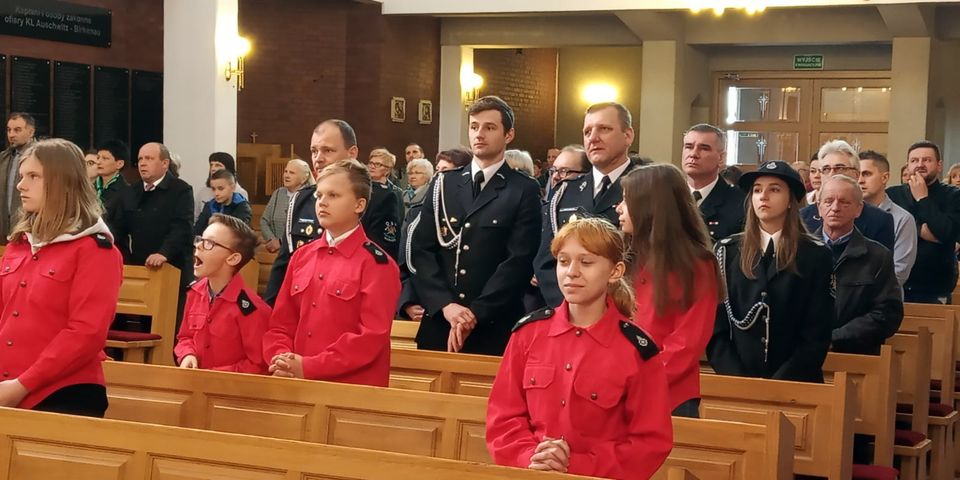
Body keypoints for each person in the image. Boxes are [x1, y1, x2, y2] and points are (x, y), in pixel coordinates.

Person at [486, 217, 672, 478]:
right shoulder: (528, 334)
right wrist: (530, 457)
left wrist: (577, 465)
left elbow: (650, 442)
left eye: (586, 262)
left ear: (615, 271)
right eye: (563, 261)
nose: (571, 272)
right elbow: (503, 418)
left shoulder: (636, 349)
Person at [0, 138, 122, 416]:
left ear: (63, 182)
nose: (21, 185)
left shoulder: (94, 250)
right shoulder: (19, 244)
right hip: (6, 385)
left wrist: (22, 385)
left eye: (33, 176)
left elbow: (86, 334)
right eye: (22, 176)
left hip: (63, 392)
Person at [411, 96, 541, 355]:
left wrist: (475, 313)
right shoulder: (444, 184)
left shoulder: (522, 189)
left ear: (508, 134)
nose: (479, 134)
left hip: (493, 324)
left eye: (489, 127)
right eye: (474, 127)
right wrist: (446, 305)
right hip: (441, 320)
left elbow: (519, 261)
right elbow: (422, 251)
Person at [263, 160, 400, 386]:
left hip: (349, 390)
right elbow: (280, 324)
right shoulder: (301, 257)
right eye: (319, 195)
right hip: (296, 381)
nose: (322, 203)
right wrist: (281, 359)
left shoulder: (378, 265)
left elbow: (370, 339)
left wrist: (309, 367)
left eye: (333, 195)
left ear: (359, 205)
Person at [707, 160, 834, 382]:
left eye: (774, 190)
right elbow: (716, 328)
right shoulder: (727, 251)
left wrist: (778, 385)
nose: (763, 196)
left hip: (796, 381)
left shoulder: (815, 254)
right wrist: (739, 380)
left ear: (790, 201)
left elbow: (817, 332)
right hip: (737, 381)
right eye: (757, 190)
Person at [617, 164, 723, 417]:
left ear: (650, 206)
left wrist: (641, 380)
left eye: (626, 200)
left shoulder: (696, 265)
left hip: (670, 396)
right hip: (617, 389)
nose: (619, 208)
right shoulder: (623, 257)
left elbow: (687, 342)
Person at [534, 102, 638, 308]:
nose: (593, 138)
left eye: (604, 129)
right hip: (568, 309)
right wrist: (571, 307)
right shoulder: (565, 192)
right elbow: (546, 260)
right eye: (587, 132)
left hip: (627, 309)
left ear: (628, 135)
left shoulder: (645, 189)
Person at [263, 120, 358, 305]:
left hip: (343, 303)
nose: (318, 158)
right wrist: (270, 310)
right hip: (301, 304)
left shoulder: (370, 200)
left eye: (328, 150)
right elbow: (284, 263)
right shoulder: (301, 199)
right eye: (314, 151)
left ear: (351, 153)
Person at [815, 176, 902, 355]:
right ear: (819, 207)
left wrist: (835, 338)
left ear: (858, 209)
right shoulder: (798, 251)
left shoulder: (878, 256)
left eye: (844, 202)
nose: (835, 208)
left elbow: (887, 313)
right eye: (829, 201)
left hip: (857, 354)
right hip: (804, 354)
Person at [175, 214, 271, 373]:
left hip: (229, 387)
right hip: (194, 383)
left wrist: (216, 375)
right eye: (200, 240)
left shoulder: (251, 309)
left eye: (209, 243)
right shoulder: (195, 293)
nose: (198, 246)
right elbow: (185, 337)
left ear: (233, 258)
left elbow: (258, 365)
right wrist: (187, 355)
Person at [887, 141, 960, 304]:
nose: (920, 165)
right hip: (895, 284)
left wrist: (923, 198)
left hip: (934, 287)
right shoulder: (892, 195)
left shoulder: (954, 196)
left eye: (927, 160)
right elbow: (888, 230)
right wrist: (919, 229)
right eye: (914, 160)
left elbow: (948, 235)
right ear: (908, 165)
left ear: (939, 165)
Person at [800, 140, 895, 252]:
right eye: (826, 169)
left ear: (856, 175)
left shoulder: (879, 220)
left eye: (840, 168)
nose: (832, 174)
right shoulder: (802, 218)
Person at [858, 150, 917, 287]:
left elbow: (899, 272)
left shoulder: (902, 219)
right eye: (857, 174)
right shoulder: (848, 214)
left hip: (882, 295)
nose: (860, 180)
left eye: (866, 174)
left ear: (885, 178)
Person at [682, 123, 746, 242]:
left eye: (704, 148)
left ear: (721, 158)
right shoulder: (667, 196)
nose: (693, 154)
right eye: (688, 147)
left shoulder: (740, 204)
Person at [261, 159, 314, 253]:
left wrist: (281, 242)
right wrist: (272, 240)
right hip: (275, 251)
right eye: (286, 171)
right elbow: (264, 220)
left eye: (292, 173)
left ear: (303, 178)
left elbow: (304, 228)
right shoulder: (278, 193)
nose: (286, 175)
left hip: (299, 251)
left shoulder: (309, 197)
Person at [0, 113, 37, 242]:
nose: (11, 135)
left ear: (31, 132)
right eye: (9, 130)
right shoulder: (3, 158)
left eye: (17, 130)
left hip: (30, 230)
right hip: (4, 230)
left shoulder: (41, 157)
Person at [363, 148, 404, 260]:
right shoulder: (363, 188)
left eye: (378, 164)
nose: (372, 166)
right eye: (371, 163)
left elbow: (396, 223)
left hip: (381, 246)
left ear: (387, 170)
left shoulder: (394, 193)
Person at [94, 140, 131, 250]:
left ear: (119, 164)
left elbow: (121, 228)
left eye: (105, 158)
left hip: (112, 247)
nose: (99, 162)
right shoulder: (89, 187)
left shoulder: (126, 191)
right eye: (98, 157)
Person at [194, 170, 253, 235]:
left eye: (220, 188)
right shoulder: (209, 206)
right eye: (213, 189)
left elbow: (241, 234)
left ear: (233, 188)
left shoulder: (242, 207)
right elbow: (197, 231)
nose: (216, 193)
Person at [196, 152, 249, 219]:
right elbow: (196, 218)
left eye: (218, 165)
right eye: (211, 165)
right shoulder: (203, 192)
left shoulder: (240, 194)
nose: (213, 168)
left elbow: (241, 221)